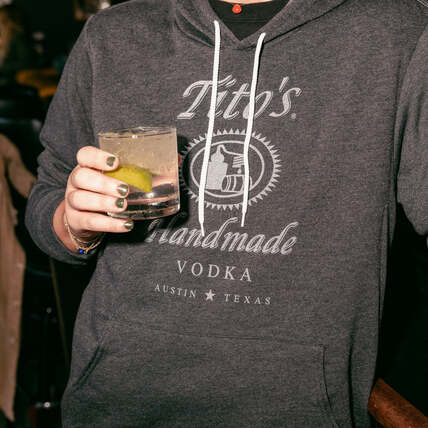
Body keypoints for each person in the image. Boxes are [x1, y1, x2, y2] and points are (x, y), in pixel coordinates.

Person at [25, 0, 428, 426]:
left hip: (297, 409)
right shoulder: (113, 33)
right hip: (115, 400)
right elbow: (48, 194)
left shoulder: (398, 32)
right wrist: (74, 226)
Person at [0, 4, 36, 85]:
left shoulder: (18, 38)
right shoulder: (8, 38)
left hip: (12, 80)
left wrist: (3, 67)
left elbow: (26, 63)